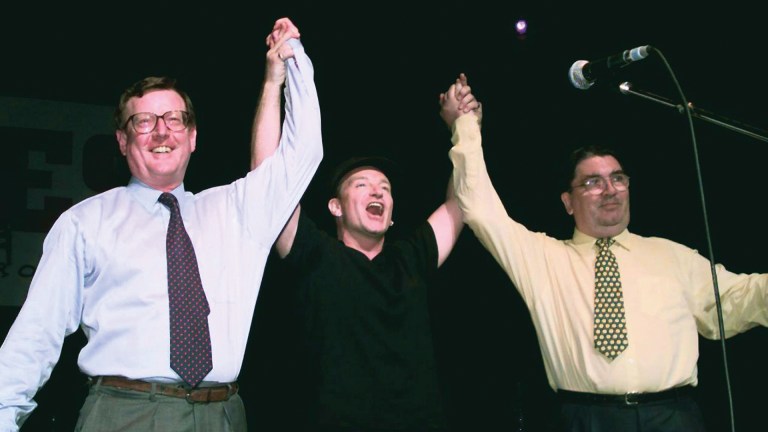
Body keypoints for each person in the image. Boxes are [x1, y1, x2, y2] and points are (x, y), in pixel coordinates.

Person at [0, 17, 321, 432]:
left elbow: (303, 153)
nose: (160, 131)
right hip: (123, 412)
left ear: (192, 137)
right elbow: (37, 332)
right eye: (143, 122)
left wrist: (288, 65)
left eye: (174, 119)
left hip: (222, 414)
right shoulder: (85, 222)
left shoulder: (237, 211)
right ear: (122, 141)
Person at [447, 76, 768, 431]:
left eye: (618, 179)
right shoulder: (543, 258)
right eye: (593, 182)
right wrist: (466, 125)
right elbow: (479, 208)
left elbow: (737, 299)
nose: (610, 190)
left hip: (674, 417)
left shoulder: (671, 255)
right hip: (587, 419)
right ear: (568, 202)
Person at [250, 71, 478, 430]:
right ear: (335, 207)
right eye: (362, 185)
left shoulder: (411, 258)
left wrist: (465, 127)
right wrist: (271, 83)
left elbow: (463, 200)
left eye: (384, 188)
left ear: (390, 215)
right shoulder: (315, 254)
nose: (377, 192)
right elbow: (266, 182)